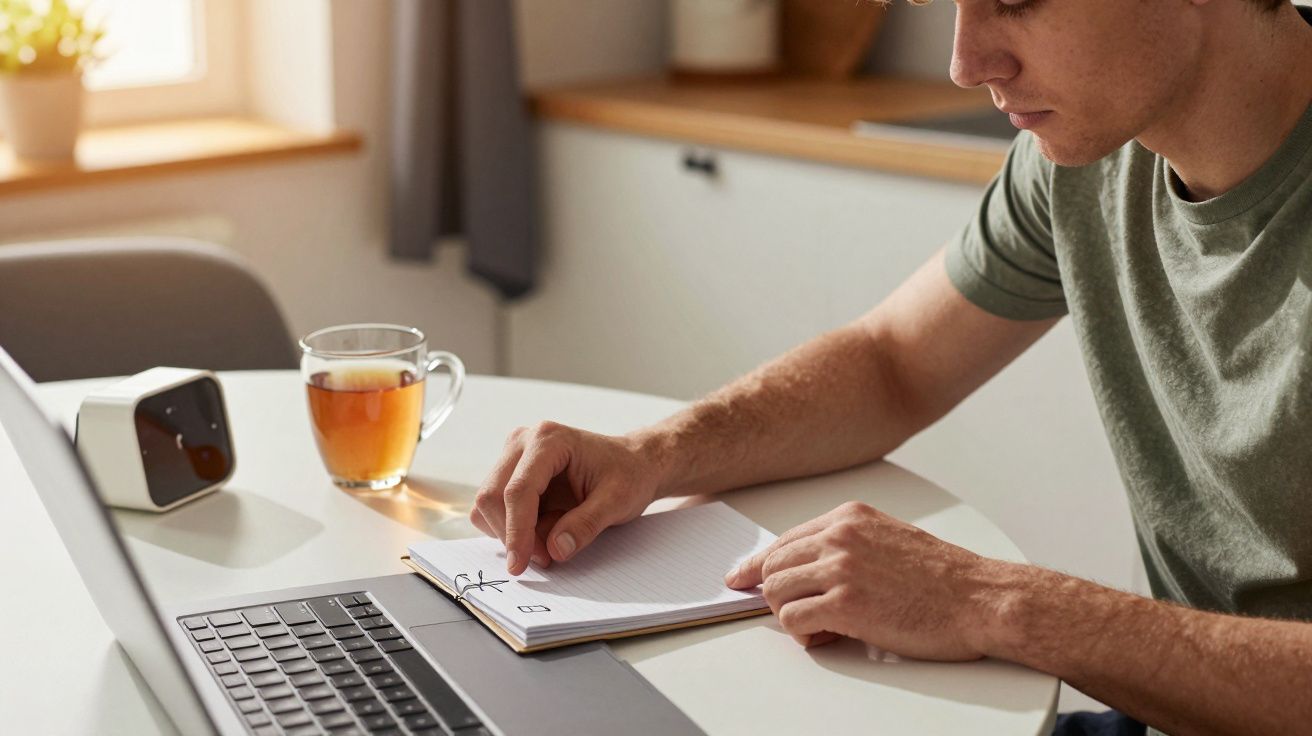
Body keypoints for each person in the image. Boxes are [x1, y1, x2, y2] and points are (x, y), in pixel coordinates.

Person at [470, 1, 1312, 733]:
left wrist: (989, 601)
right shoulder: (1092, 158)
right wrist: (652, 453)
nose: (965, 63)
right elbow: (892, 363)